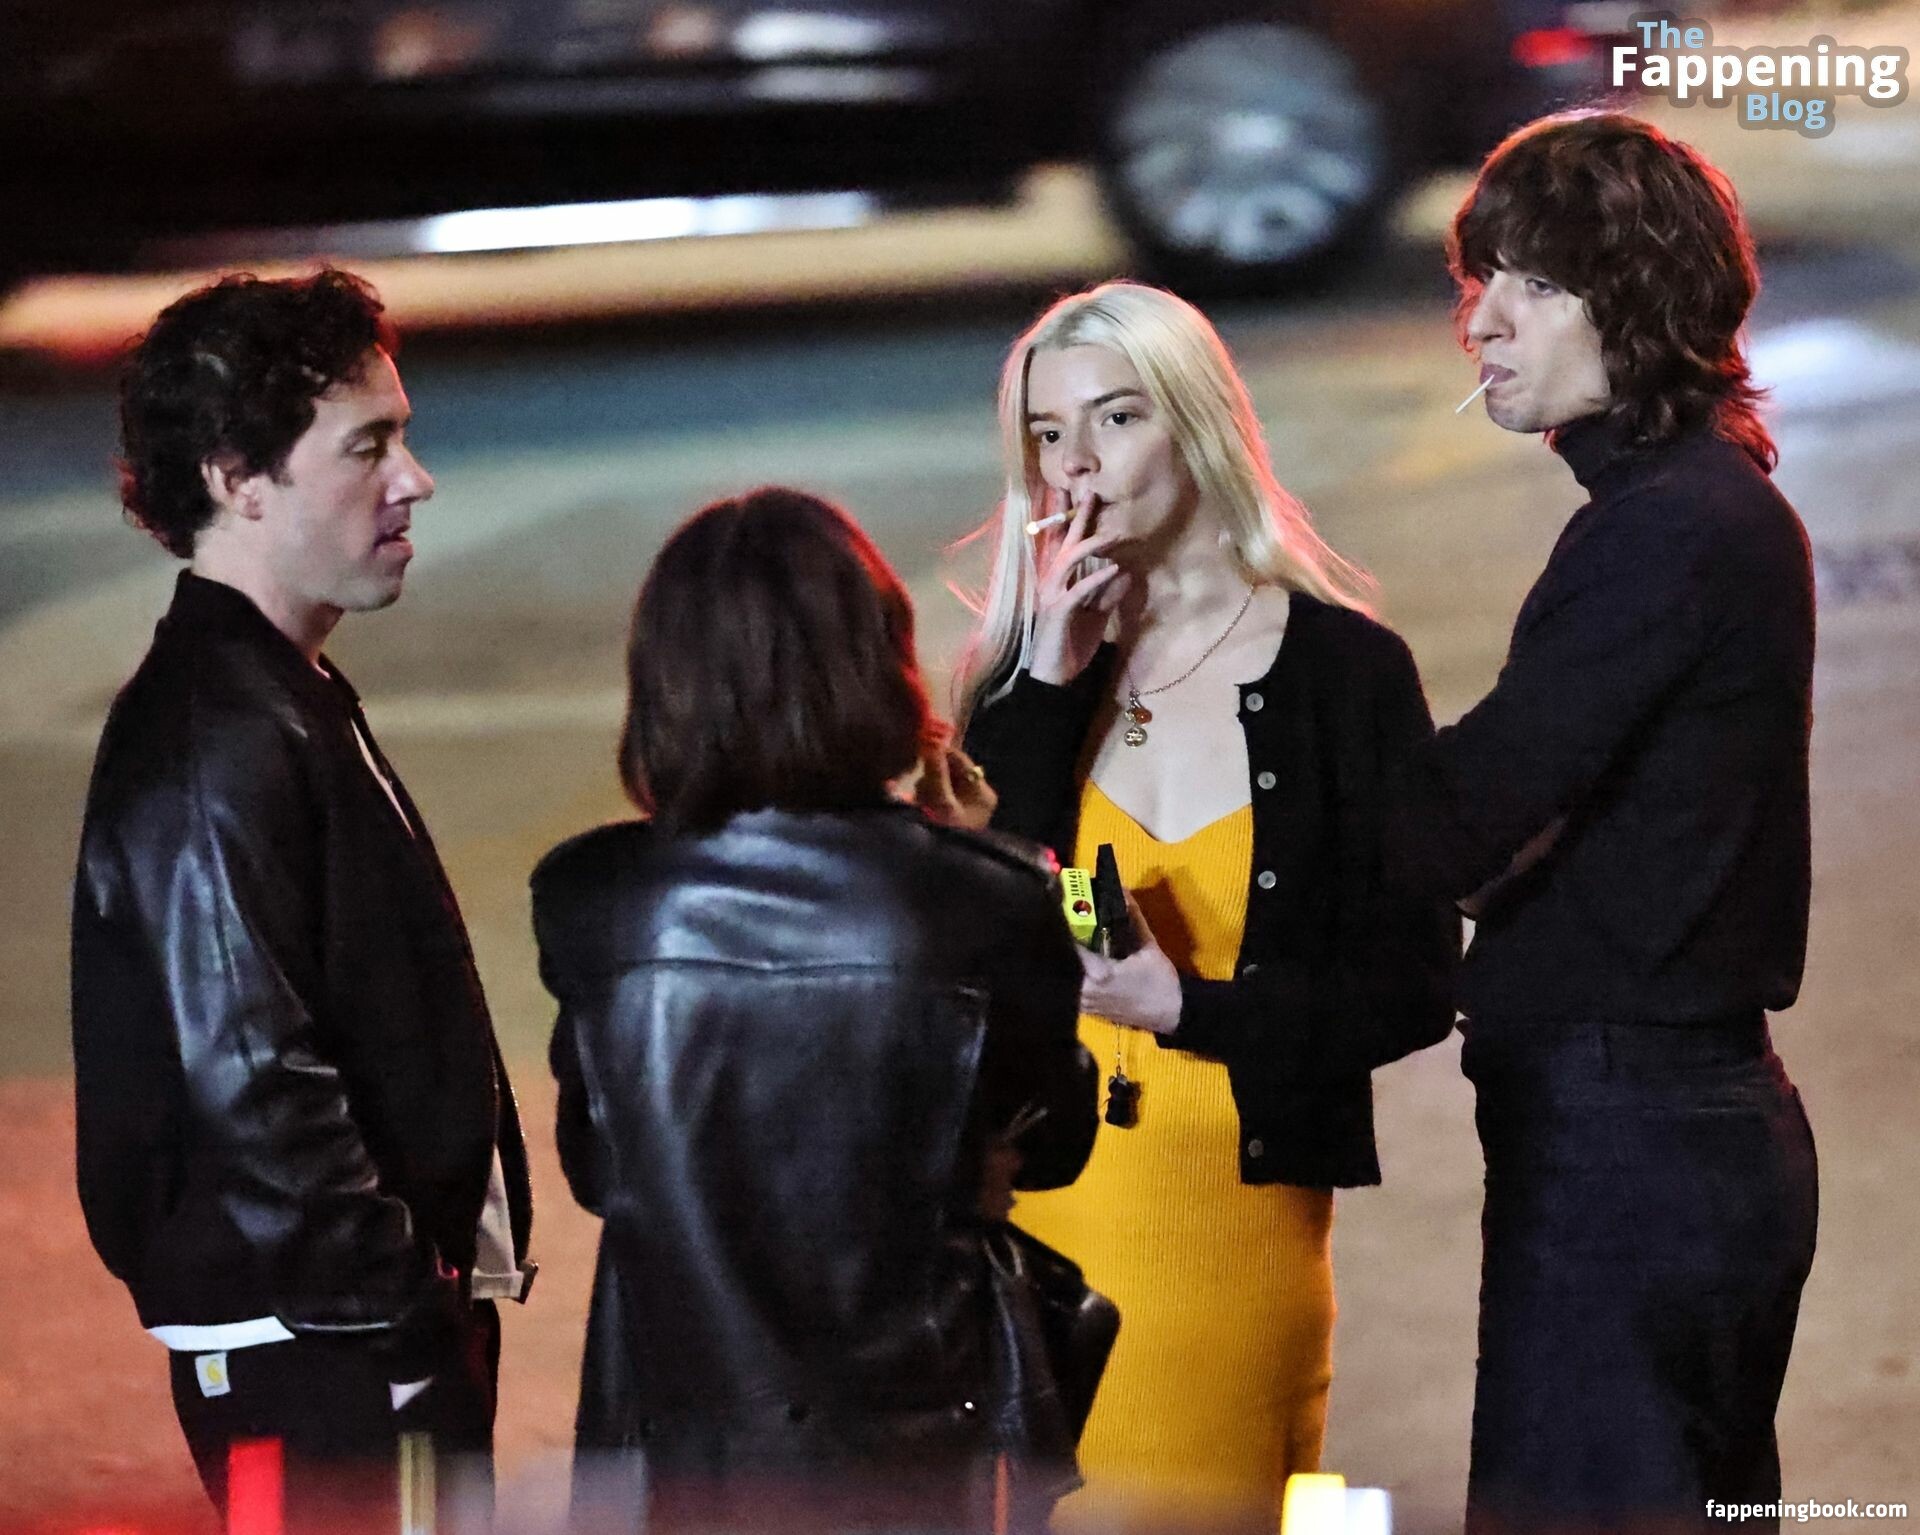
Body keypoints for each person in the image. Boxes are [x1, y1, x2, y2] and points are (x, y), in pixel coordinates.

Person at [955, 281, 1459, 1533]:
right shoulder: (1020, 678)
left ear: (1198, 425)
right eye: (1047, 432)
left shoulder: (1344, 671)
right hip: (1040, 1228)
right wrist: (1046, 686)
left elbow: (1414, 986)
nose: (1076, 463)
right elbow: (962, 941)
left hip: (1236, 1233)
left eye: (1116, 418)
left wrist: (1189, 1007)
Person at [1383, 113, 1820, 1534]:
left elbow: (1457, 822)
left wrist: (1303, 678)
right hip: (1660, 1139)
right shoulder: (1690, 510)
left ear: (1636, 299)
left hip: (1636, 1151)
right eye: (1480, 280)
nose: (1482, 322)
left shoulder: (1669, 530)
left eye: (1535, 284)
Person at [533, 487, 1101, 1533]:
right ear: (876, 660)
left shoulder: (593, 899)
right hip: (917, 1443)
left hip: (682, 1440)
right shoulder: (988, 896)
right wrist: (982, 848)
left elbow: (597, 1165)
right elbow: (1058, 1142)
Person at [71, 270, 535, 1527]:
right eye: (367, 445)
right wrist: (398, 1317)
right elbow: (255, 1075)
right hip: (322, 1353)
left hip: (338, 1336)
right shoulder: (217, 734)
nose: (415, 479)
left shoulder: (271, 694)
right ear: (238, 479)